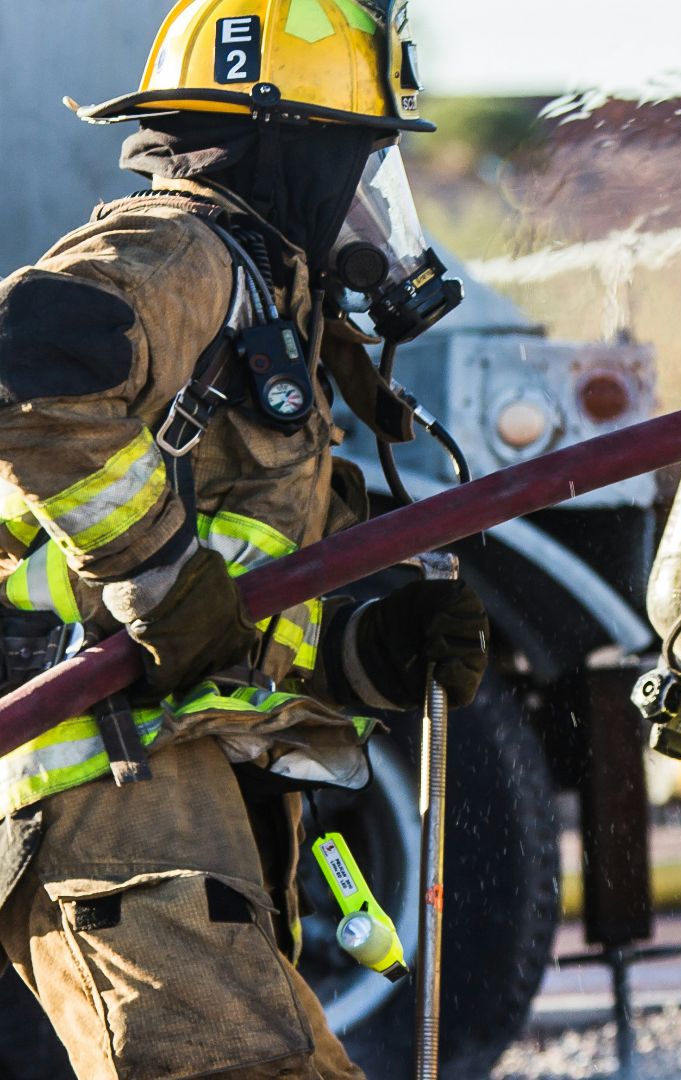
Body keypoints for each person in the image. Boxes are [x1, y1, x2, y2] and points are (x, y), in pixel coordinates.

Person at [0, 1, 484, 1076]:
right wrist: (161, 577)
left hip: (183, 784)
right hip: (108, 778)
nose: (370, 211)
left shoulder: (269, 307)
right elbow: (25, 371)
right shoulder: (175, 249)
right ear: (284, 147)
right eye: (357, 168)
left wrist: (372, 645)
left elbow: (246, 607)